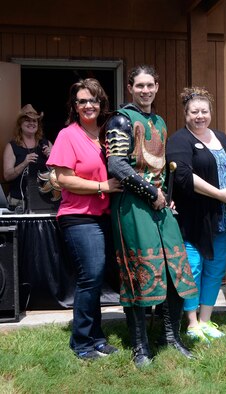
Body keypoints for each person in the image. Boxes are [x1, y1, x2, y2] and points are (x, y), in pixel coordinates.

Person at [105, 65, 198, 368]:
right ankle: (140, 347)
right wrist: (151, 194)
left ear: (157, 86)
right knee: (138, 273)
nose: (145, 90)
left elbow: (160, 168)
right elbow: (117, 166)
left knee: (175, 269)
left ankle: (170, 337)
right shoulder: (120, 120)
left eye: (150, 85)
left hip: (159, 206)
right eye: (139, 85)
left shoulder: (159, 121)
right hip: (132, 208)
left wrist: (166, 199)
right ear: (130, 87)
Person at [47, 79, 122, 360]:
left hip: (104, 215)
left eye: (93, 100)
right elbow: (64, 180)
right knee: (89, 276)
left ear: (101, 103)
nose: (88, 105)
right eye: (81, 101)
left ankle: (98, 338)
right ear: (74, 106)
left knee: (97, 277)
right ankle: (81, 342)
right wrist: (103, 187)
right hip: (78, 216)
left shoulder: (107, 134)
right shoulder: (69, 135)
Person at [166, 87, 226, 343]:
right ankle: (190, 323)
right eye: (194, 112)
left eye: (204, 111)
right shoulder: (180, 140)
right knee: (193, 268)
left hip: (220, 218)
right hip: (193, 218)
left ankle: (206, 320)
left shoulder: (220, 137)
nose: (200, 116)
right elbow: (183, 176)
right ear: (185, 114)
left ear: (210, 112)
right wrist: (218, 194)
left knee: (215, 268)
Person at [3, 104, 53, 213]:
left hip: (44, 201)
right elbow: (7, 176)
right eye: (27, 120)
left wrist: (51, 158)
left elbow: (59, 175)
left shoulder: (46, 143)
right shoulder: (12, 146)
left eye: (34, 121)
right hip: (18, 202)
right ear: (20, 124)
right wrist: (24, 163)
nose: (31, 123)